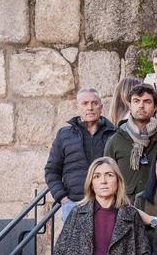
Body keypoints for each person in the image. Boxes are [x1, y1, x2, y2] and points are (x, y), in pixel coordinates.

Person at [105, 83, 157, 202]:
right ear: (129, 105)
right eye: (136, 101)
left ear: (155, 107)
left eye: (147, 102)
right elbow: (107, 176)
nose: (141, 105)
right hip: (126, 207)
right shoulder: (116, 141)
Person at [46, 88, 116, 219]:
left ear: (101, 106)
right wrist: (63, 198)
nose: (90, 108)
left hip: (107, 203)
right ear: (77, 107)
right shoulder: (64, 135)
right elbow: (51, 170)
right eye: (85, 103)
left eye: (94, 103)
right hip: (74, 204)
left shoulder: (113, 134)